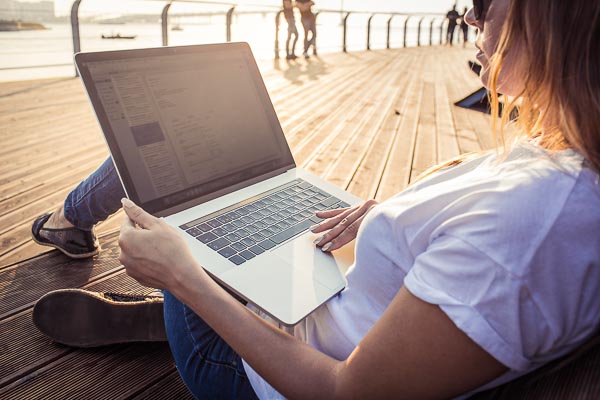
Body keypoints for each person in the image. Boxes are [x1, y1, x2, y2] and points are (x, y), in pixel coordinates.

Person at [32, 0, 600, 398]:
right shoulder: (561, 163)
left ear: (553, 17)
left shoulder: (533, 222)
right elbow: (481, 254)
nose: (471, 15)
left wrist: (183, 279)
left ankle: (74, 225)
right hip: (325, 307)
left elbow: (341, 392)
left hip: (260, 376)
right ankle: (185, 294)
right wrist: (396, 222)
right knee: (198, 162)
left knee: (159, 168)